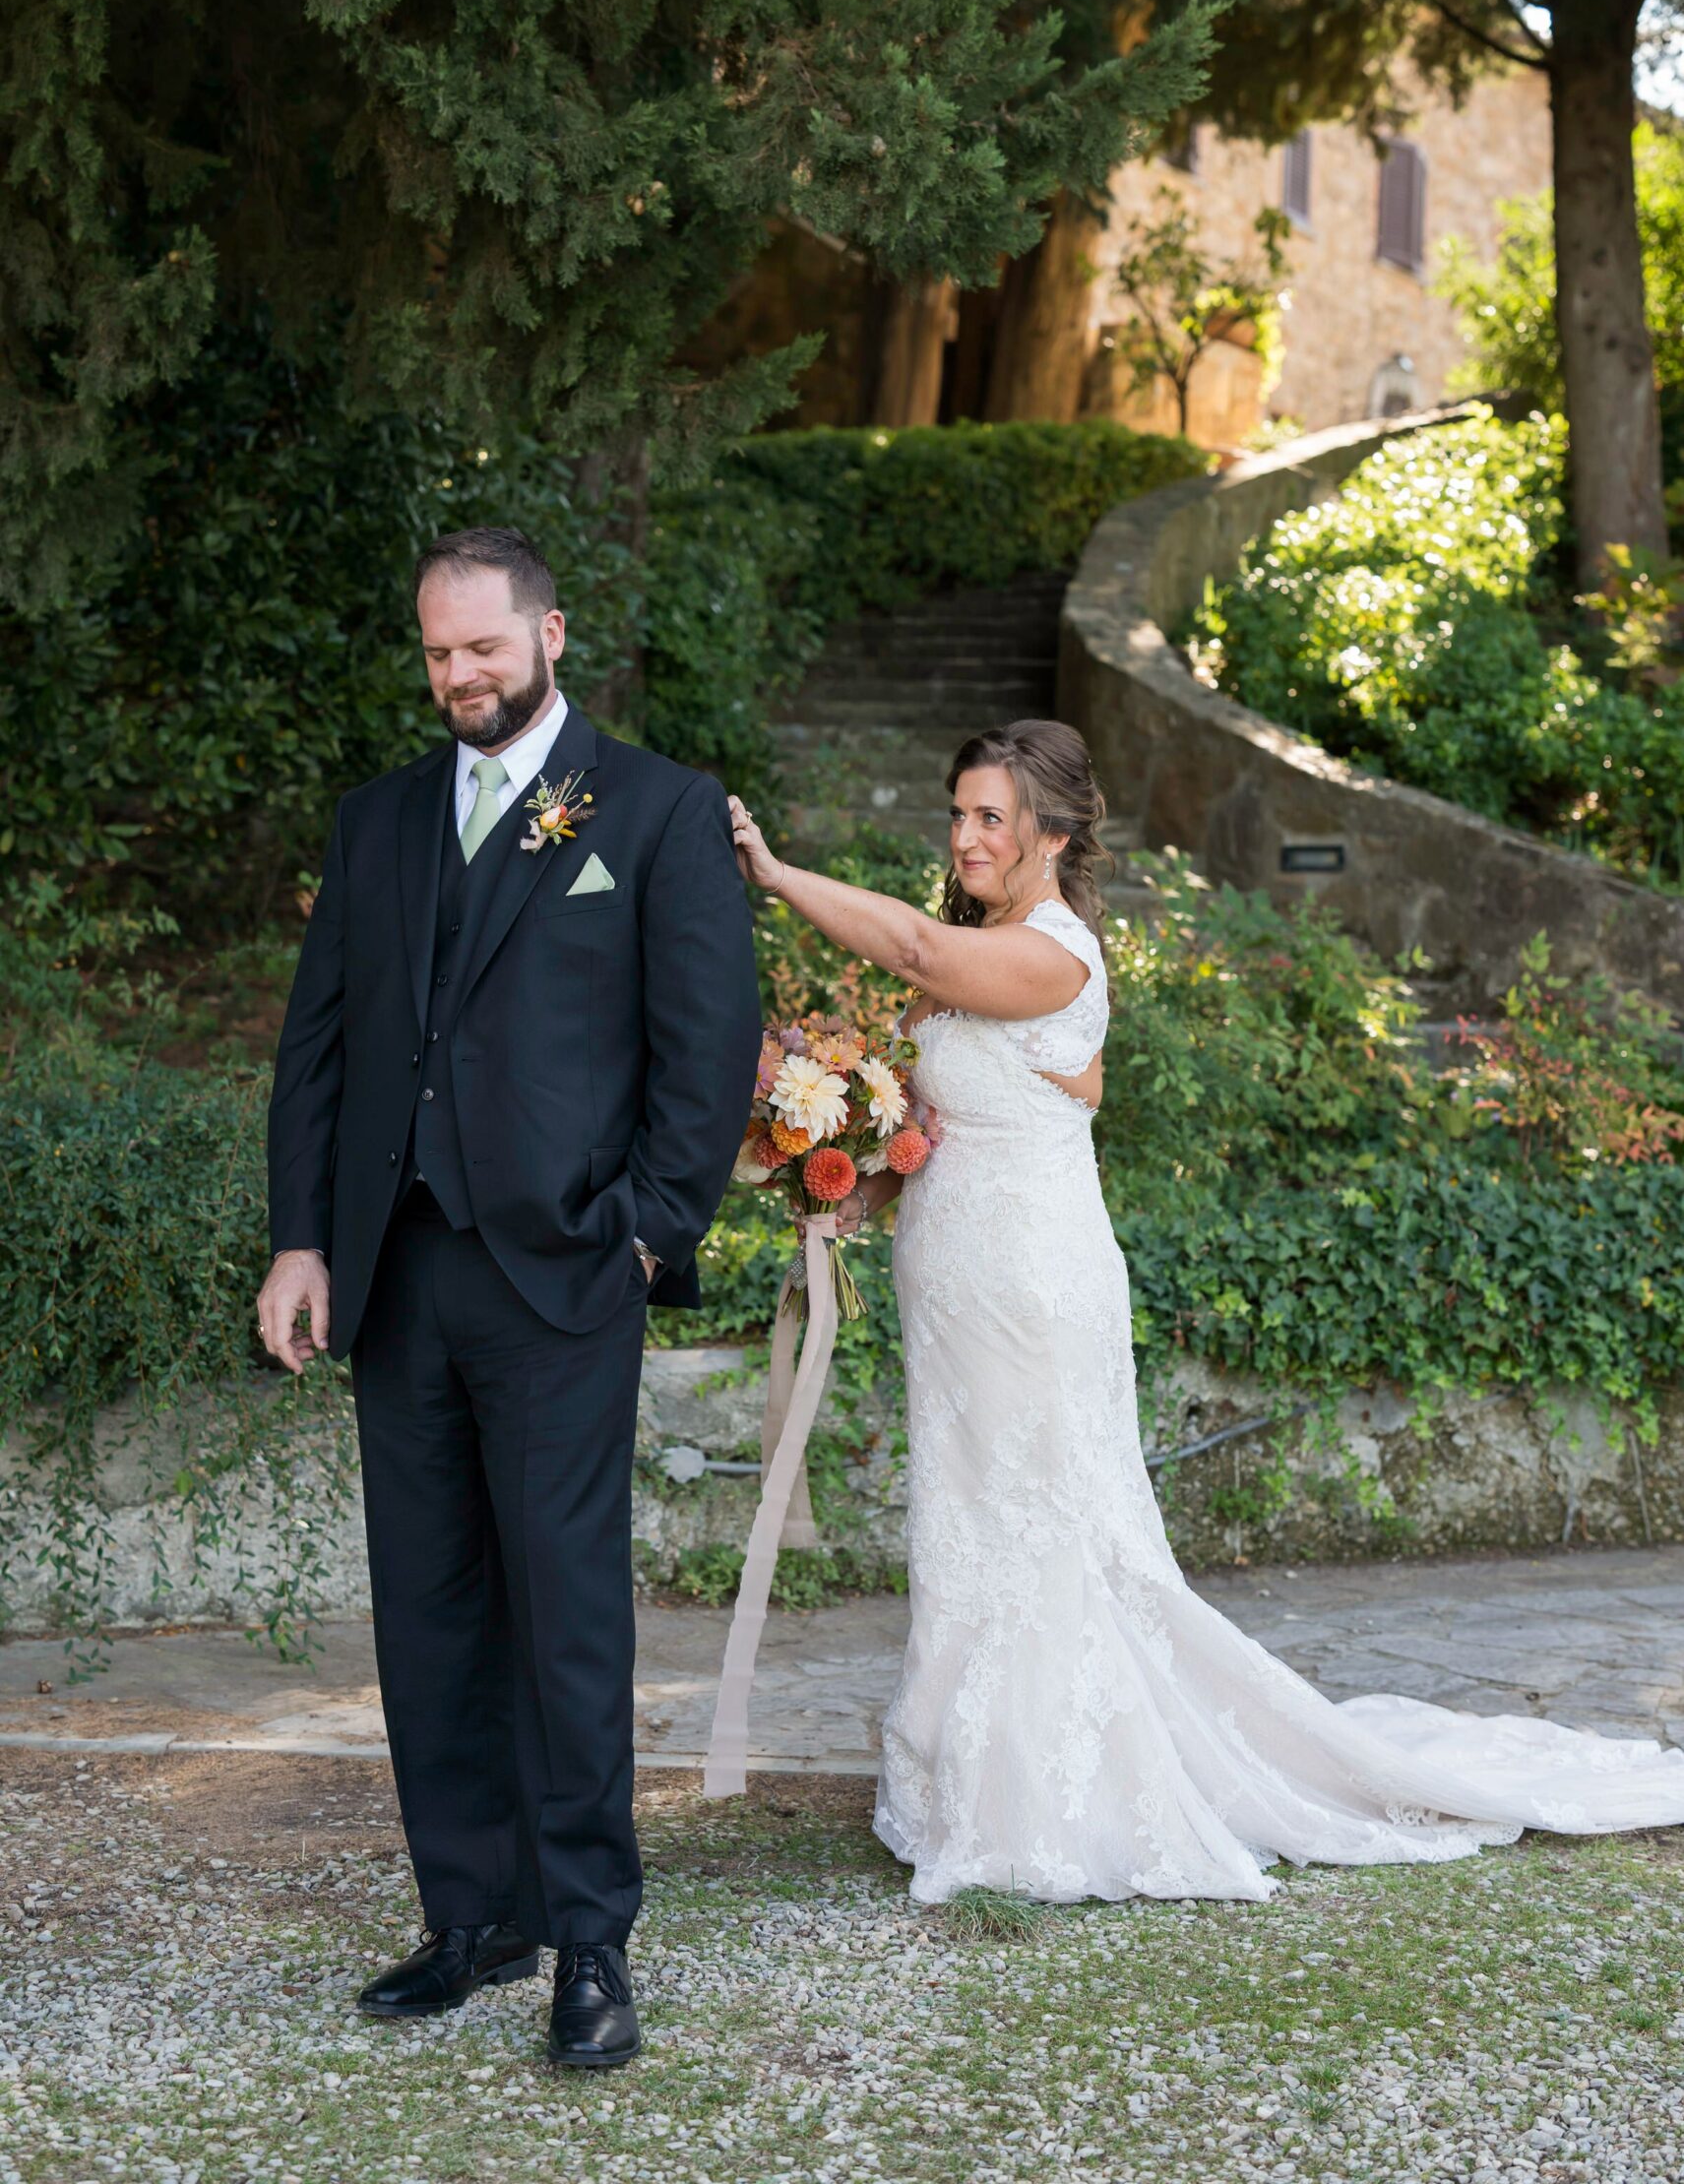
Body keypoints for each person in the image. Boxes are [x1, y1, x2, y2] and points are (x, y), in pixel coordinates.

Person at [726, 716, 1684, 1904]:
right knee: (973, 1522)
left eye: (989, 817)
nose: (965, 835)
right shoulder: (993, 943)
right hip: (956, 1287)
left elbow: (916, 952)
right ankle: (965, 1780)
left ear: (1054, 832)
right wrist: (846, 1169)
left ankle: (1050, 1801)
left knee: (1045, 1528)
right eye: (959, 813)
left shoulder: (1056, 952)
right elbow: (951, 1119)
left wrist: (773, 873)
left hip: (1030, 1286)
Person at [259, 526, 760, 2062]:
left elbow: (707, 1047)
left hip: (561, 1279)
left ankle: (589, 1943)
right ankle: (470, 1915)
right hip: (398, 1277)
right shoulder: (381, 821)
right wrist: (302, 1238)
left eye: (481, 646)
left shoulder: (658, 811)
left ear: (550, 633)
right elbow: (322, 1047)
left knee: (561, 1619)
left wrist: (642, 1231)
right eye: (435, 652)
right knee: (428, 1609)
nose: (457, 675)